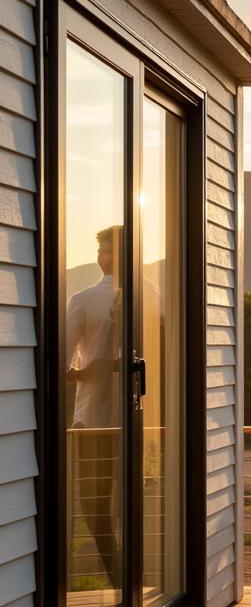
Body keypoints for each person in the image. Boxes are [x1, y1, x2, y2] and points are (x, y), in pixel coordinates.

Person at [66, 226, 123, 584]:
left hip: (95, 420)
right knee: (131, 502)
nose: (102, 256)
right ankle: (132, 581)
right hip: (139, 421)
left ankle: (120, 578)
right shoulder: (151, 294)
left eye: (104, 249)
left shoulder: (84, 299)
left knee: (93, 504)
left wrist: (80, 374)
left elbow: (60, 360)